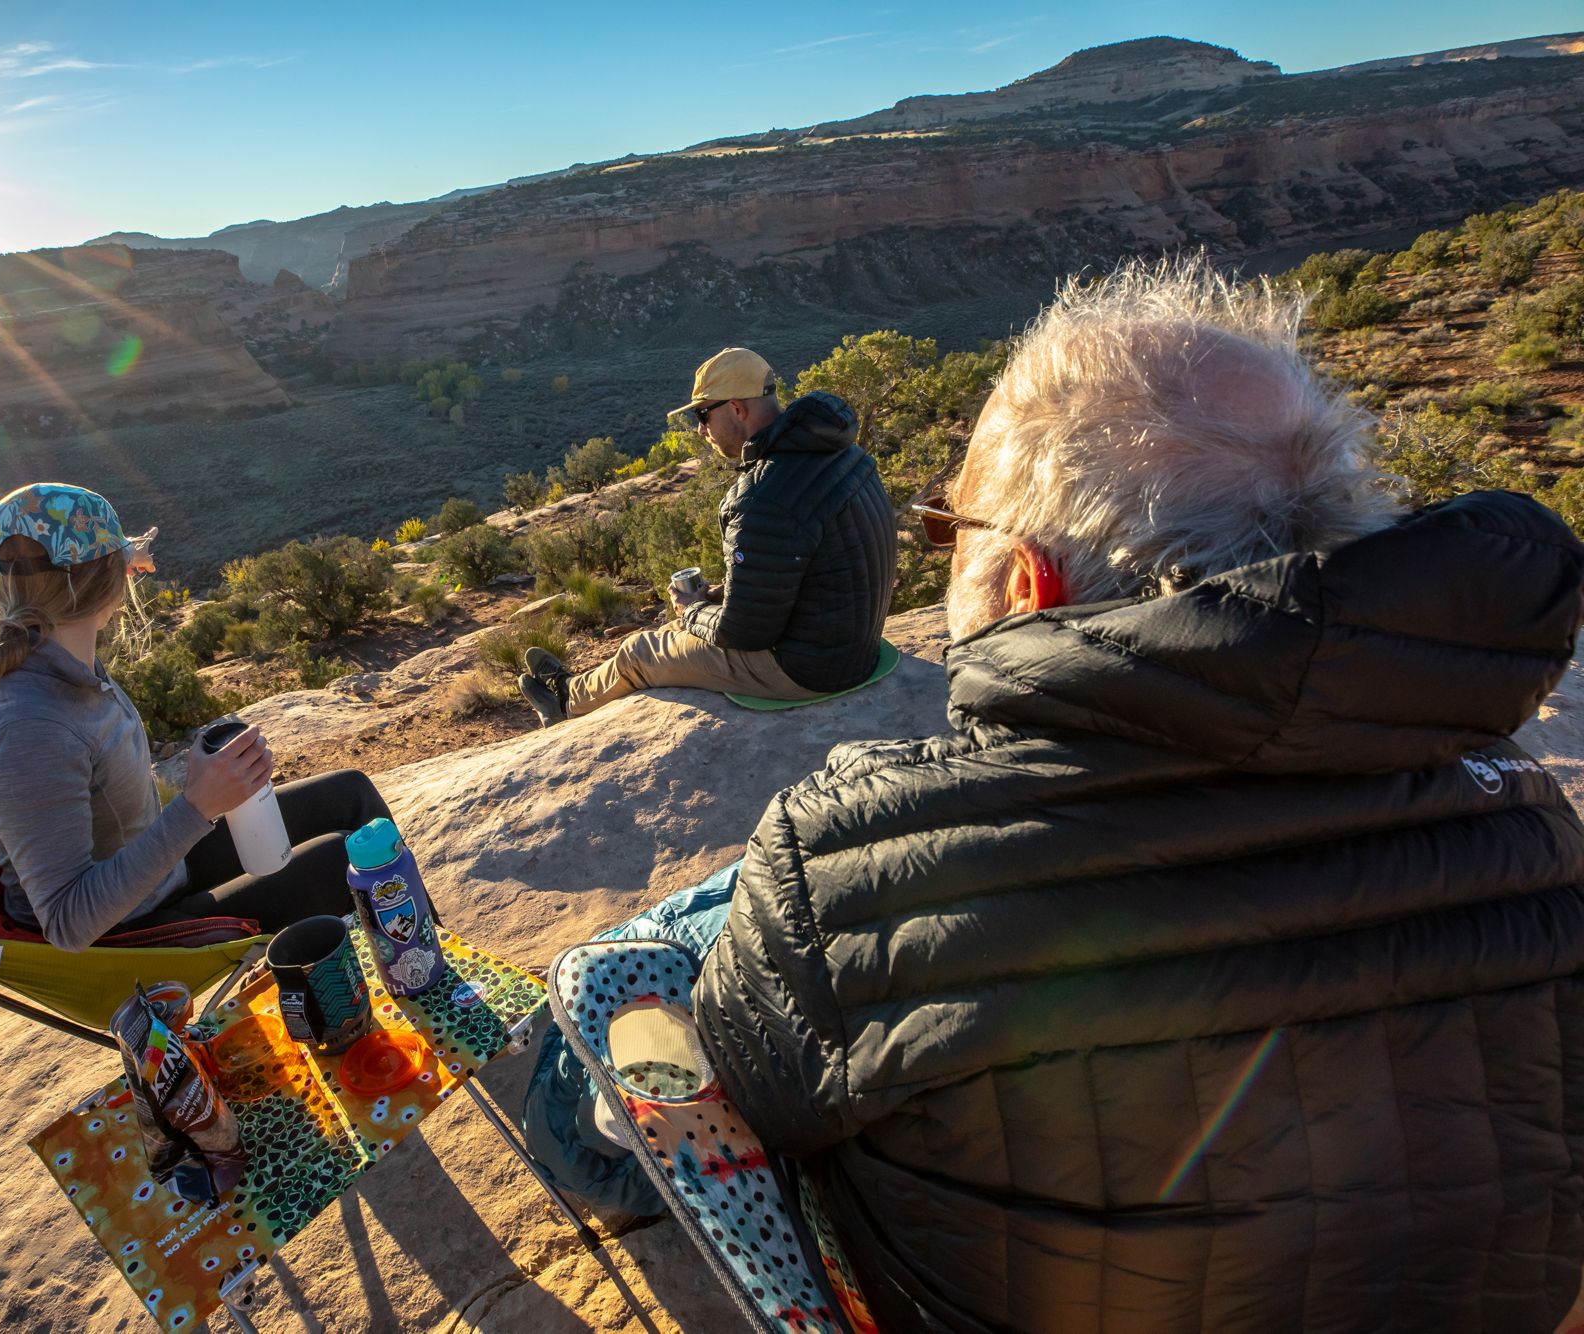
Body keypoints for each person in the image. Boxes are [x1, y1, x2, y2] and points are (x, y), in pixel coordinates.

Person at [687, 262, 1584, 1330]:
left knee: (650, 967)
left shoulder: (830, 864)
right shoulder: (1533, 825)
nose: (940, 559)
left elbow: (754, 1094)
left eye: (949, 530)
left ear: (1030, 583)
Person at [0, 482, 392, 952]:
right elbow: (68, 922)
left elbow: (71, 571)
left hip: (153, 875)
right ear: (105, 582)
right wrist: (198, 806)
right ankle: (425, 987)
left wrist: (116, 558)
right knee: (341, 860)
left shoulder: (52, 655)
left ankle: (429, 963)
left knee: (350, 794)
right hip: (128, 928)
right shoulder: (26, 730)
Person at [517, 347, 895, 724]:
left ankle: (565, 702)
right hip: (853, 644)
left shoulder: (764, 496)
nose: (700, 430)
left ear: (736, 408)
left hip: (807, 669)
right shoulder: (841, 451)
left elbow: (742, 632)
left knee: (641, 651)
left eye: (702, 414)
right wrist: (720, 597)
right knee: (678, 629)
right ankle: (577, 687)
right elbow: (815, 564)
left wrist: (691, 609)